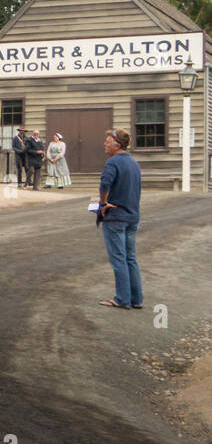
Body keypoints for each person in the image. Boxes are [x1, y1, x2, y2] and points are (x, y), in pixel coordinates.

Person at [98, 128, 142, 309]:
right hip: (132, 217)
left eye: (107, 141)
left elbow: (104, 183)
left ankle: (122, 299)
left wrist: (102, 203)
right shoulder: (134, 163)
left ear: (116, 144)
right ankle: (136, 299)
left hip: (115, 217)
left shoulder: (112, 162)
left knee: (119, 259)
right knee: (130, 258)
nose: (104, 144)